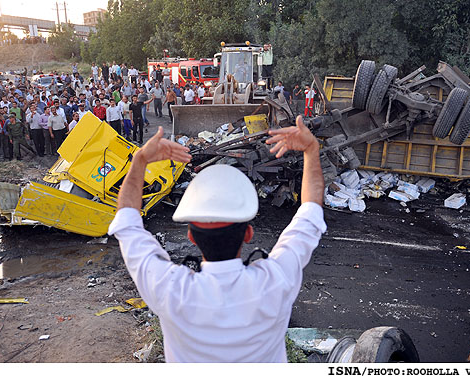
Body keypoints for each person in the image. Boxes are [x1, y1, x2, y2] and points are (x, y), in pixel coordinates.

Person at [108, 115, 325, 362]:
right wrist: (311, 148)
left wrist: (140, 159)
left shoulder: (169, 289)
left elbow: (126, 222)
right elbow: (310, 212)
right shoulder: (275, 281)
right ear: (248, 234)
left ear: (191, 237)